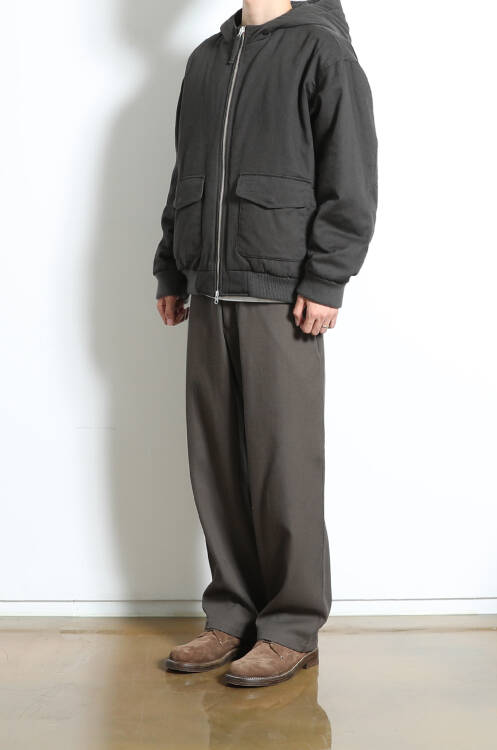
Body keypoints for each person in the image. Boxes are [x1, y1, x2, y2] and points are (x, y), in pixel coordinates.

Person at [153, 0, 377, 688]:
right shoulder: (205, 60)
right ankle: (232, 614)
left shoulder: (321, 50)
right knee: (216, 462)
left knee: (284, 465)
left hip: (282, 293)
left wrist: (328, 277)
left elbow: (351, 174)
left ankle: (292, 627)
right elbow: (185, 172)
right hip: (208, 289)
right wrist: (171, 267)